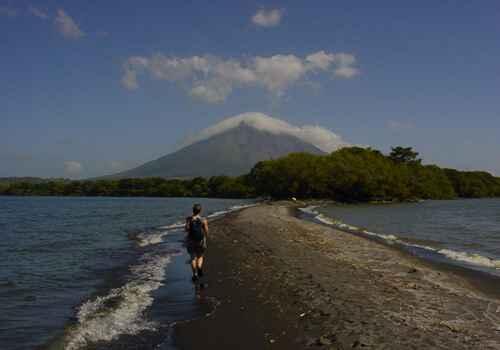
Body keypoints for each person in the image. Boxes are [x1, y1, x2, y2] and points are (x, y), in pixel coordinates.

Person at [185, 203, 208, 282]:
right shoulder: (203, 219)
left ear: (193, 210)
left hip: (191, 240)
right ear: (200, 211)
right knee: (200, 256)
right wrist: (205, 238)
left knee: (192, 257)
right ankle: (199, 267)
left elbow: (186, 229)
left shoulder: (188, 219)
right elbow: (206, 231)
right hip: (200, 240)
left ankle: (195, 274)